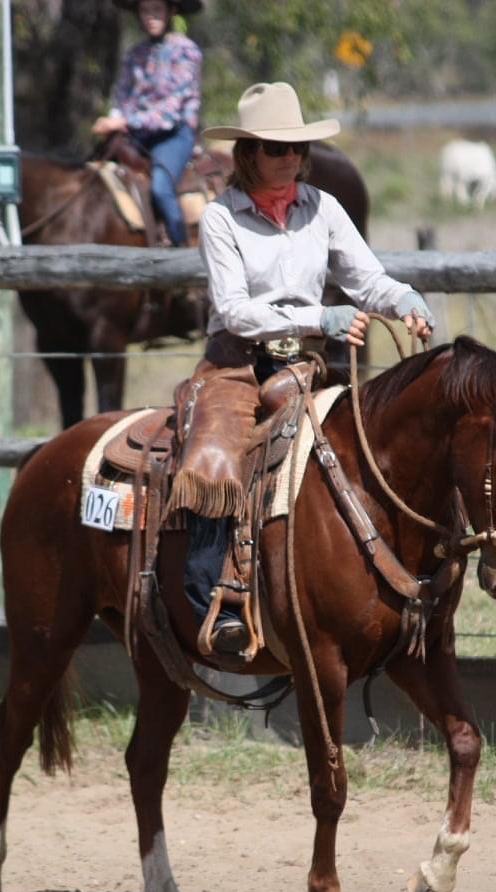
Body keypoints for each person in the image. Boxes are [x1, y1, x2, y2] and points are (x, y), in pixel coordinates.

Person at [182, 81, 433, 655]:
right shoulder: (221, 218)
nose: (289, 157)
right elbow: (234, 311)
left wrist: (404, 299)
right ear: (249, 153)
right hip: (236, 365)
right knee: (213, 460)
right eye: (276, 147)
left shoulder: (323, 208)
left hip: (306, 367)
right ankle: (211, 602)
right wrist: (319, 317)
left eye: (297, 147)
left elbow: (366, 278)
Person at [91, 0, 203, 247]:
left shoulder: (186, 51)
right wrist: (113, 119)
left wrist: (124, 121)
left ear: (171, 11)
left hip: (173, 135)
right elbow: (122, 96)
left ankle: (181, 250)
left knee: (160, 188)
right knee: (94, 172)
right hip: (136, 135)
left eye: (157, 9)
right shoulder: (134, 54)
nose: (150, 16)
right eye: (145, 10)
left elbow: (171, 109)